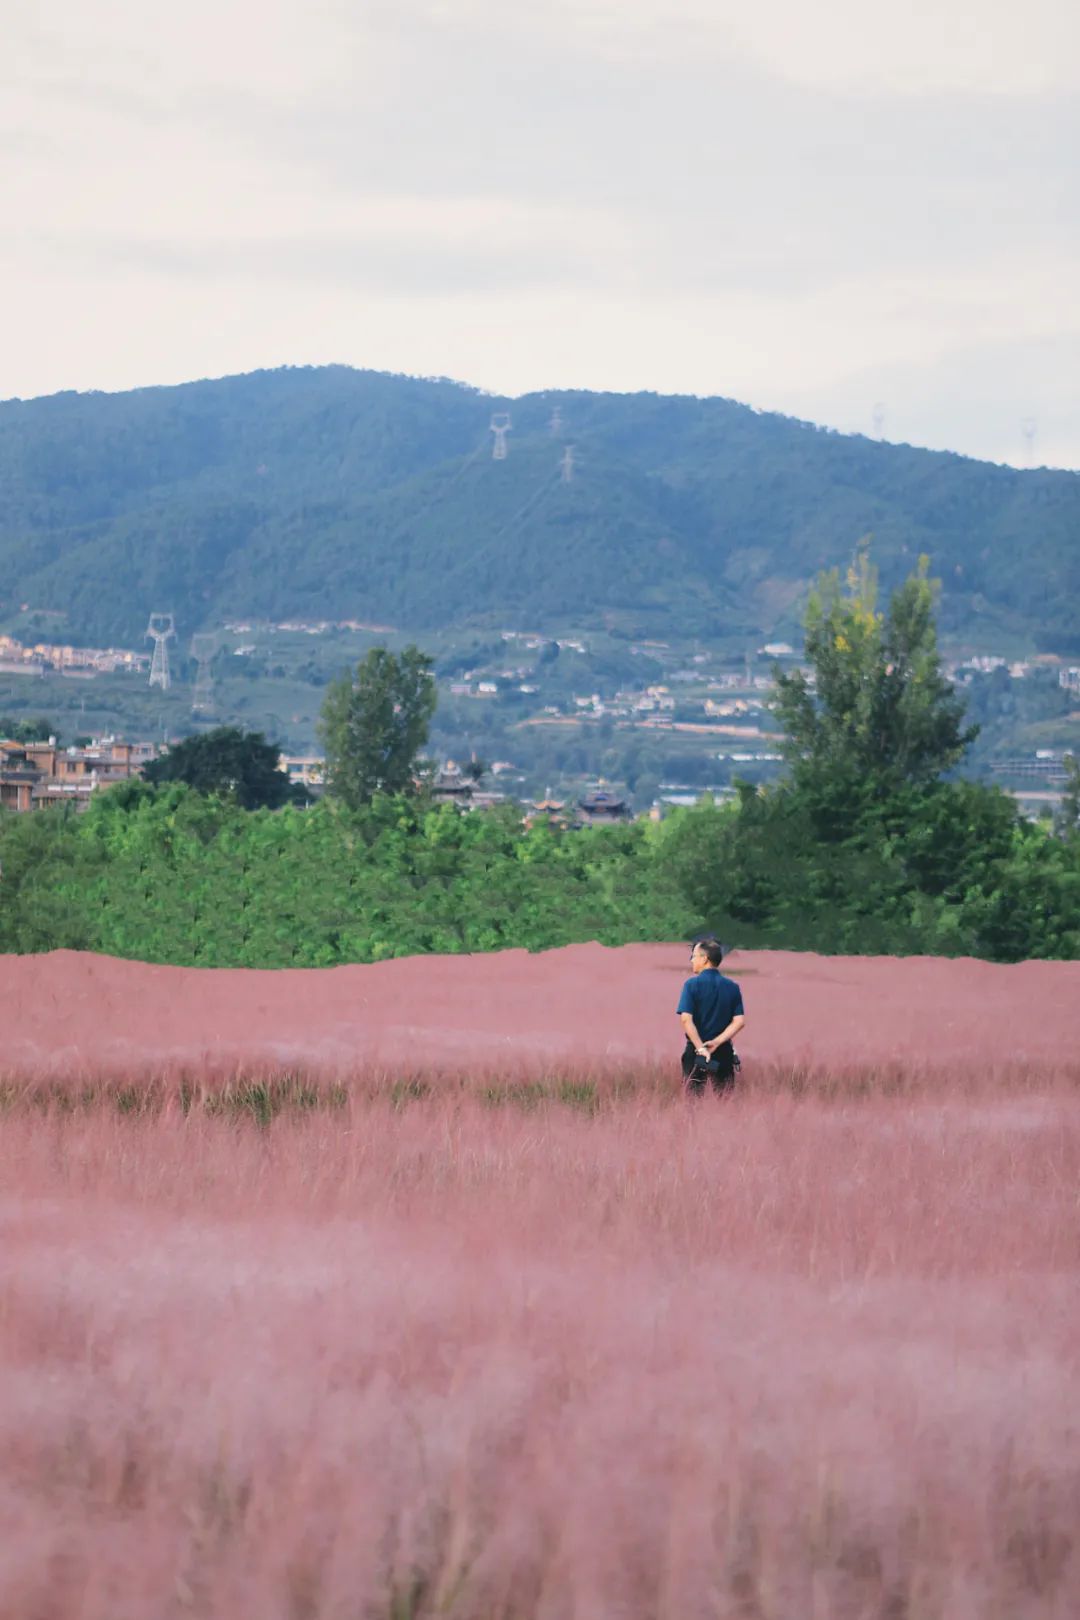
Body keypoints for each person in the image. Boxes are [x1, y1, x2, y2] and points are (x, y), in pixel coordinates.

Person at [676, 937, 746, 1094]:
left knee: (691, 1102)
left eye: (694, 956)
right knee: (725, 1100)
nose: (691, 960)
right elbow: (739, 1021)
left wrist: (701, 1048)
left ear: (705, 959)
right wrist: (717, 1042)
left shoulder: (691, 985)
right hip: (723, 1052)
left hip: (696, 1053)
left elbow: (686, 1019)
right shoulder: (732, 987)